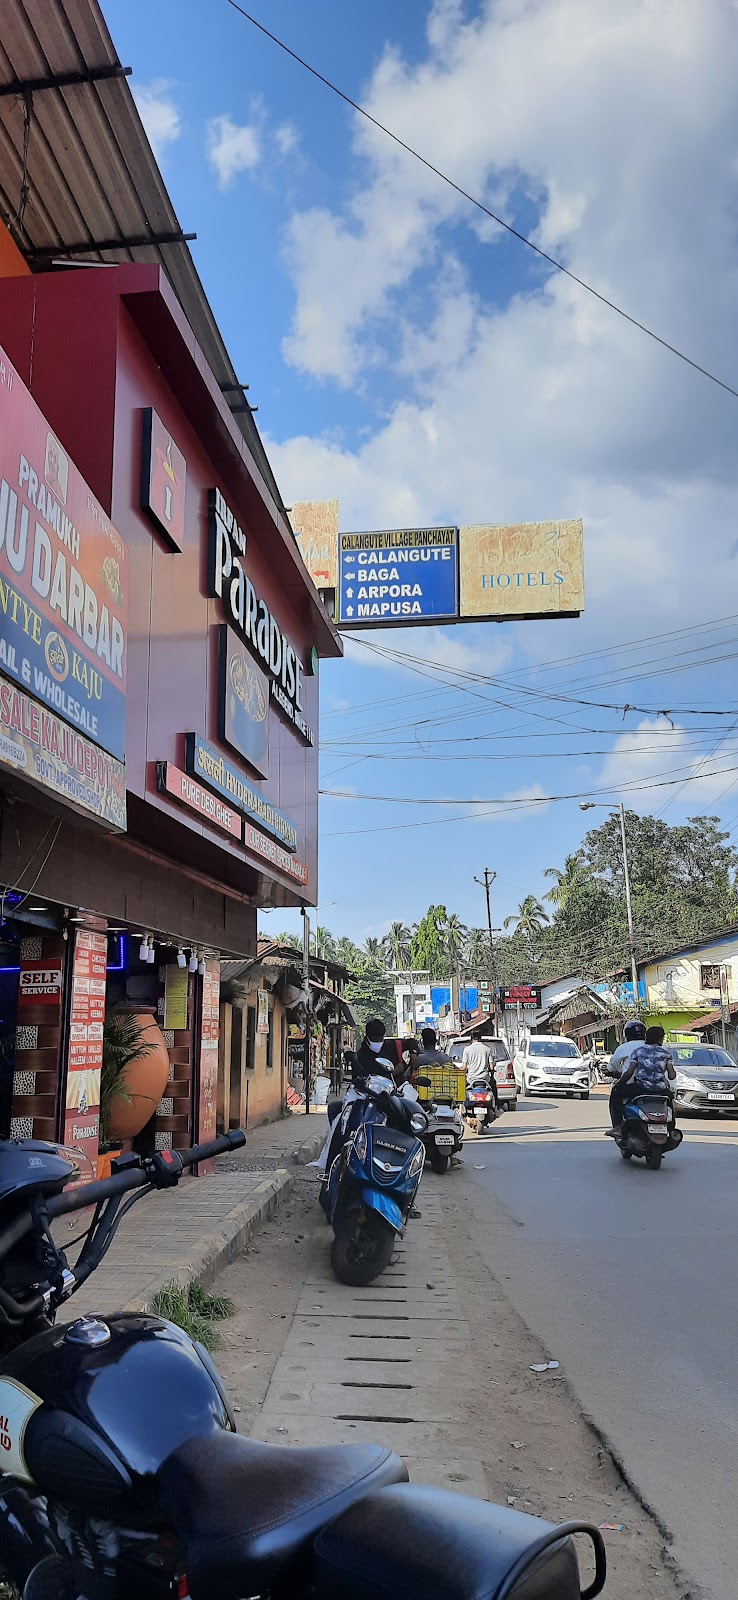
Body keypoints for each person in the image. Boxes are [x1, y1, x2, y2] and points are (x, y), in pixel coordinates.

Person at [612, 1024, 676, 1131]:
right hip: (660, 1089)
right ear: (660, 1039)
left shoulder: (638, 1051)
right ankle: (671, 1127)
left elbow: (629, 1072)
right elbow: (672, 1076)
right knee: (670, 1100)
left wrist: (619, 1084)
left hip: (641, 1088)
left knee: (616, 1095)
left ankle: (618, 1126)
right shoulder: (666, 1053)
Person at [608, 1019, 646, 1129]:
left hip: (633, 1086)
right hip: (657, 1087)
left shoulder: (624, 1048)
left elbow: (612, 1067)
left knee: (615, 1095)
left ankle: (617, 1126)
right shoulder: (653, 1047)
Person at [352, 1018, 396, 1082]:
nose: (378, 1043)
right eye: (375, 1040)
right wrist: (393, 1073)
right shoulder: (359, 1057)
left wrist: (413, 1052)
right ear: (368, 1037)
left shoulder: (389, 1049)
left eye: (381, 1040)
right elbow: (363, 1078)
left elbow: (408, 1042)